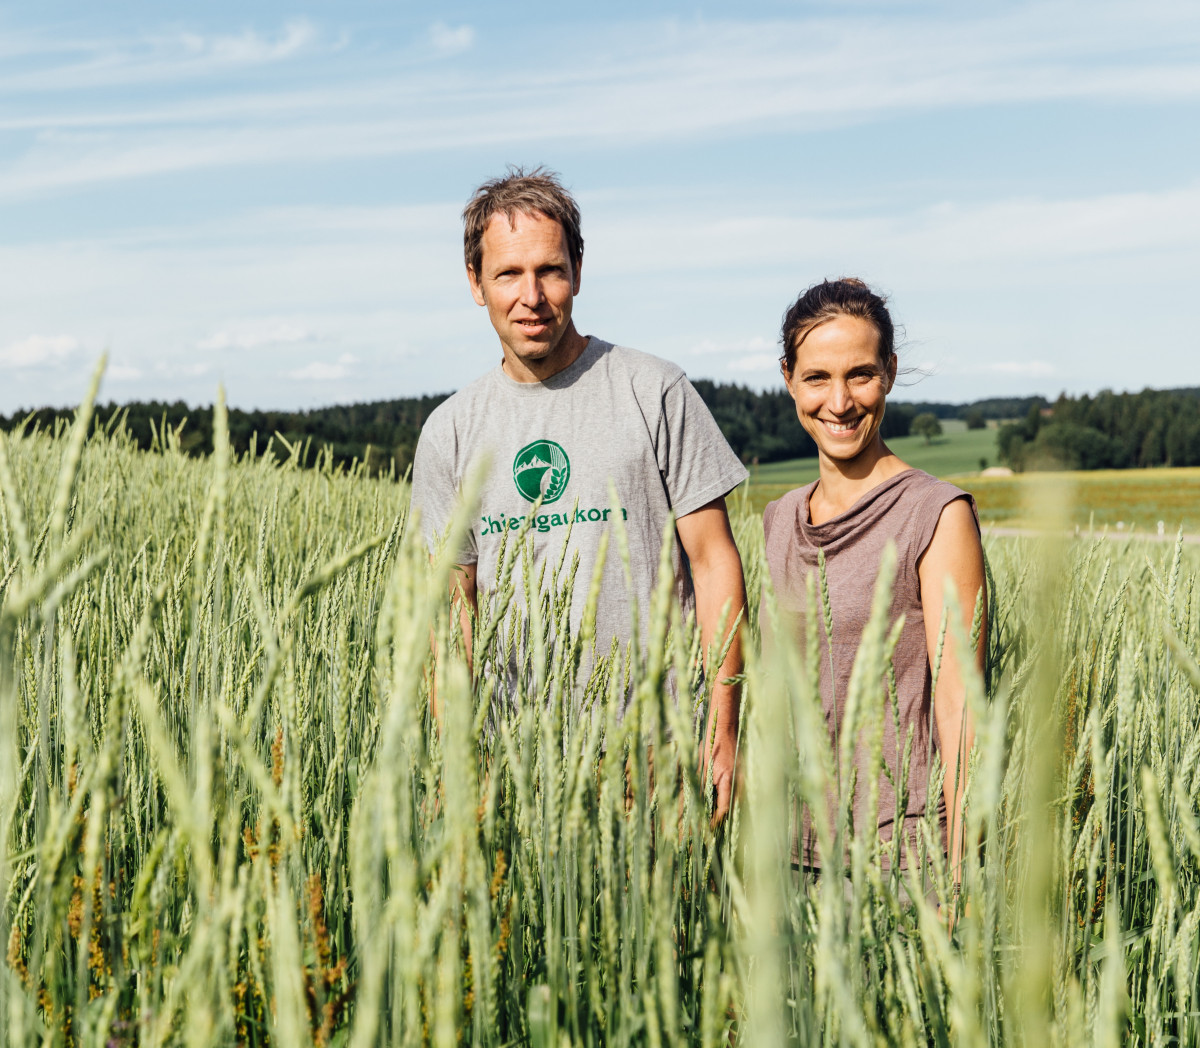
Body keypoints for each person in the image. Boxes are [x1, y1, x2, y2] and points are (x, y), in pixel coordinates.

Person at [410, 167, 749, 819]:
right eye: (508, 273)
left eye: (550, 270)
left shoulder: (655, 391)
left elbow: (714, 565)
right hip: (518, 766)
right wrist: (454, 759)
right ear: (475, 282)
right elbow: (451, 617)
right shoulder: (449, 432)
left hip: (660, 753)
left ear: (579, 271)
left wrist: (722, 728)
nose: (530, 295)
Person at [761, 278, 985, 889]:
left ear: (889, 371)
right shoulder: (779, 519)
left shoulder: (936, 514)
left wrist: (959, 869)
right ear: (788, 379)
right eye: (817, 378)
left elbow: (962, 705)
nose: (839, 402)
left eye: (860, 374)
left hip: (899, 862)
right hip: (784, 850)